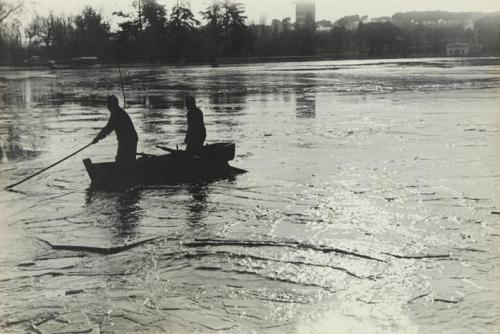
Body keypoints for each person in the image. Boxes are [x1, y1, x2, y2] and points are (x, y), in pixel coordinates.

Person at [92, 95, 138, 164]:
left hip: (127, 140)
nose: (108, 107)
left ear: (112, 104)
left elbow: (108, 128)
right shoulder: (118, 112)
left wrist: (97, 138)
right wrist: (98, 137)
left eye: (109, 104)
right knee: (126, 160)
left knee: (122, 160)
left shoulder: (116, 114)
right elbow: (108, 128)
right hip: (129, 139)